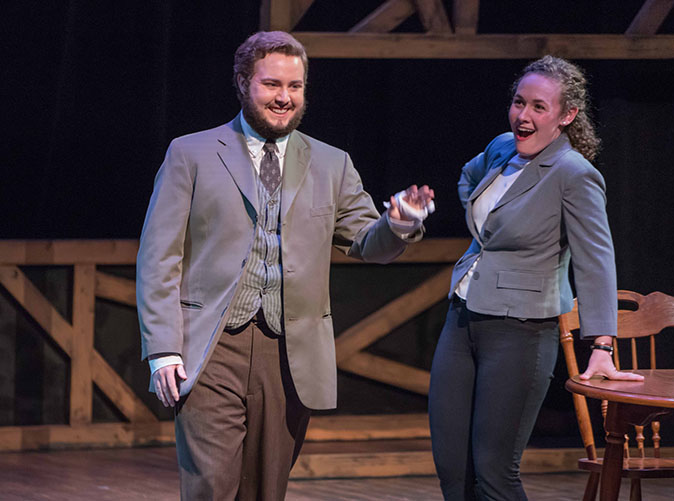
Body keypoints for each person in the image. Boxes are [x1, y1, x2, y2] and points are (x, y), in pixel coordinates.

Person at [136, 31, 434, 501]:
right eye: (272, 84)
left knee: (266, 487)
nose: (284, 97)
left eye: (295, 86)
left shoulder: (332, 163)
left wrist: (399, 224)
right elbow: (159, 255)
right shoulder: (192, 153)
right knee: (210, 484)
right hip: (211, 345)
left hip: (289, 351)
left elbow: (365, 242)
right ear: (243, 83)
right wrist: (163, 349)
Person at [428, 55, 643, 500]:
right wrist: (485, 236)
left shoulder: (574, 174)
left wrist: (602, 344)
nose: (523, 116)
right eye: (519, 102)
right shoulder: (501, 148)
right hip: (462, 318)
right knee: (453, 469)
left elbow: (596, 260)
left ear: (567, 115)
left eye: (538, 107)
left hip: (521, 331)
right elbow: (469, 178)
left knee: (493, 472)